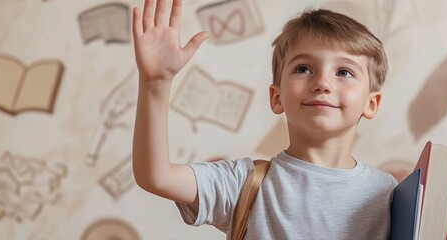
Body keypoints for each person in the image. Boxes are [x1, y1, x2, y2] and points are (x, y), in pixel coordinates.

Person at [131, 0, 395, 239]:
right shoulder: (243, 183)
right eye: (303, 69)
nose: (322, 83)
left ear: (371, 104)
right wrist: (156, 83)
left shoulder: (390, 194)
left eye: (344, 71)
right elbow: (156, 176)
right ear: (276, 97)